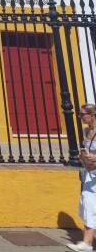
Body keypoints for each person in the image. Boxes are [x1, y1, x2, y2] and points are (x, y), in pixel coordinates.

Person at [69, 103, 96, 252]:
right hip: (90, 174)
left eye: (82, 114)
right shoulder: (86, 131)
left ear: (92, 115)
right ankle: (87, 243)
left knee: (91, 205)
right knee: (88, 204)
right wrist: (83, 156)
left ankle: (87, 243)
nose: (80, 117)